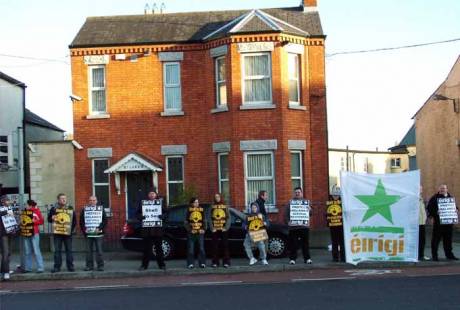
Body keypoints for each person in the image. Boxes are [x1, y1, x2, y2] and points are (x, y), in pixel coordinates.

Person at [136, 190, 167, 270]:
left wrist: (163, 216)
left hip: (157, 230)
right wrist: (141, 217)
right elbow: (137, 213)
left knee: (159, 248)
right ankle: (144, 265)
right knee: (146, 249)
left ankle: (162, 265)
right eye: (150, 193)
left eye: (153, 193)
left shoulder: (160, 203)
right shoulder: (143, 203)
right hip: (147, 230)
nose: (152, 195)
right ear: (148, 195)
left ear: (156, 194)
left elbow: (167, 213)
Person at [427, 184, 458, 261]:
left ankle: (449, 255)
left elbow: (454, 207)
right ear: (439, 189)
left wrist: (456, 209)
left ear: (447, 189)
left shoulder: (450, 198)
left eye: (444, 188)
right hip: (438, 224)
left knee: (448, 240)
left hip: (448, 224)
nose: (442, 190)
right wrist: (436, 212)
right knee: (435, 240)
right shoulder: (434, 198)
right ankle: (435, 256)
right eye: (441, 188)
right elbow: (429, 208)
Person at [48, 193, 76, 272]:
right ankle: (57, 267)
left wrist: (70, 230)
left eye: (65, 198)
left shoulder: (70, 208)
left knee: (69, 250)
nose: (64, 200)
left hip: (67, 233)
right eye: (62, 198)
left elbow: (74, 221)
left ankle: (70, 266)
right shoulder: (54, 209)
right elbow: (49, 219)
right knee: (57, 250)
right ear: (58, 200)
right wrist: (51, 217)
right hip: (57, 233)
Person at [80, 196, 108, 271]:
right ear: (88, 201)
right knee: (88, 251)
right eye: (90, 200)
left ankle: (100, 266)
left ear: (96, 201)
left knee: (99, 251)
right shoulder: (84, 210)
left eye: (94, 200)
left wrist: (100, 228)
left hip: (98, 233)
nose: (92, 201)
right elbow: (81, 221)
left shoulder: (101, 209)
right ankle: (89, 266)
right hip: (88, 233)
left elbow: (105, 221)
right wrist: (84, 231)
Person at [286, 187, 312, 265]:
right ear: (294, 193)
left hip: (304, 226)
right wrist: (288, 222)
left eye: (298, 192)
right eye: (296, 192)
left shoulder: (306, 202)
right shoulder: (290, 203)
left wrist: (310, 209)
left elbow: (310, 214)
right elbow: (286, 214)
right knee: (293, 244)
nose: (297, 193)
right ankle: (292, 259)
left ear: (301, 193)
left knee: (305, 243)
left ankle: (307, 259)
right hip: (293, 227)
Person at [21, 200, 45, 273]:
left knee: (36, 251)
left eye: (26, 205)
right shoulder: (24, 212)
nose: (25, 206)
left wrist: (34, 221)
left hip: (34, 232)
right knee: (27, 251)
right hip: (26, 232)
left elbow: (41, 221)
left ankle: (40, 267)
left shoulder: (36, 211)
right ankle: (28, 268)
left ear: (30, 205)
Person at [209, 193, 231, 268]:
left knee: (225, 245)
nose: (217, 198)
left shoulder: (225, 206)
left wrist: (226, 227)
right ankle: (215, 262)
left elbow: (228, 217)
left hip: (223, 229)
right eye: (215, 197)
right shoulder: (212, 206)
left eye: (218, 197)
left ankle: (226, 262)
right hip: (215, 230)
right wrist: (212, 228)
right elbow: (209, 218)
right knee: (215, 246)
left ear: (220, 197)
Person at [184, 197, 207, 268]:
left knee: (201, 248)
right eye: (195, 202)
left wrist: (203, 229)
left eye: (197, 202)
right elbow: (185, 222)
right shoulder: (188, 210)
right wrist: (190, 230)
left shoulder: (201, 210)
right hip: (191, 233)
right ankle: (190, 263)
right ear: (192, 203)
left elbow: (204, 220)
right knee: (191, 248)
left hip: (200, 232)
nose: (197, 203)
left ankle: (202, 263)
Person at [0, 195, 18, 281]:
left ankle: (3, 270)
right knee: (5, 252)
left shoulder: (10, 208)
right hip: (3, 233)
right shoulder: (1, 209)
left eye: (8, 200)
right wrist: (7, 213)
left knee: (8, 252)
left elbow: (12, 219)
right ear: (2, 201)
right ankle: (6, 272)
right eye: (7, 200)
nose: (8, 202)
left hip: (10, 232)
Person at [326, 188, 345, 262]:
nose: (335, 196)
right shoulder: (329, 203)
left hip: (341, 225)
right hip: (333, 225)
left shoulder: (343, 203)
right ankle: (335, 258)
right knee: (334, 242)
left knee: (342, 242)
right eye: (334, 195)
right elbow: (327, 214)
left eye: (337, 195)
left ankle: (343, 257)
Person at [418, 186, 429, 261]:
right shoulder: (414, 198)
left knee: (422, 240)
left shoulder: (421, 198)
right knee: (419, 240)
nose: (421, 190)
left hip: (422, 222)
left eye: (421, 189)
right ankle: (419, 255)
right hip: (416, 223)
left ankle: (421, 255)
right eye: (419, 189)